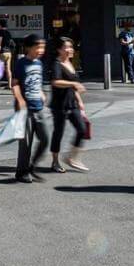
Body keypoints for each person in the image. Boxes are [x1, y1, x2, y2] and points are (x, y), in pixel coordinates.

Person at [12, 34, 49, 183]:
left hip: (38, 107)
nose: (41, 50)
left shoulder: (39, 64)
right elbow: (14, 83)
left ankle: (33, 165)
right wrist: (20, 99)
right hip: (25, 109)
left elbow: (37, 82)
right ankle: (22, 172)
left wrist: (41, 93)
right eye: (38, 47)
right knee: (26, 143)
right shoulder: (21, 63)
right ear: (29, 47)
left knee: (45, 139)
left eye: (43, 47)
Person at [50, 38, 89, 173]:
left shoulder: (70, 63)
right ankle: (55, 161)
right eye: (67, 47)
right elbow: (55, 82)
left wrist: (80, 102)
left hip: (72, 104)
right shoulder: (57, 64)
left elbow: (74, 87)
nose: (71, 49)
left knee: (82, 129)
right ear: (59, 50)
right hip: (59, 105)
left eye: (71, 47)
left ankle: (72, 158)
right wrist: (73, 84)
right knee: (58, 133)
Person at [0, 19, 16, 89]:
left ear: (0, 25)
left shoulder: (0, 32)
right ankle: (9, 85)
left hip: (2, 52)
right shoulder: (8, 33)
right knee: (8, 69)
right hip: (8, 53)